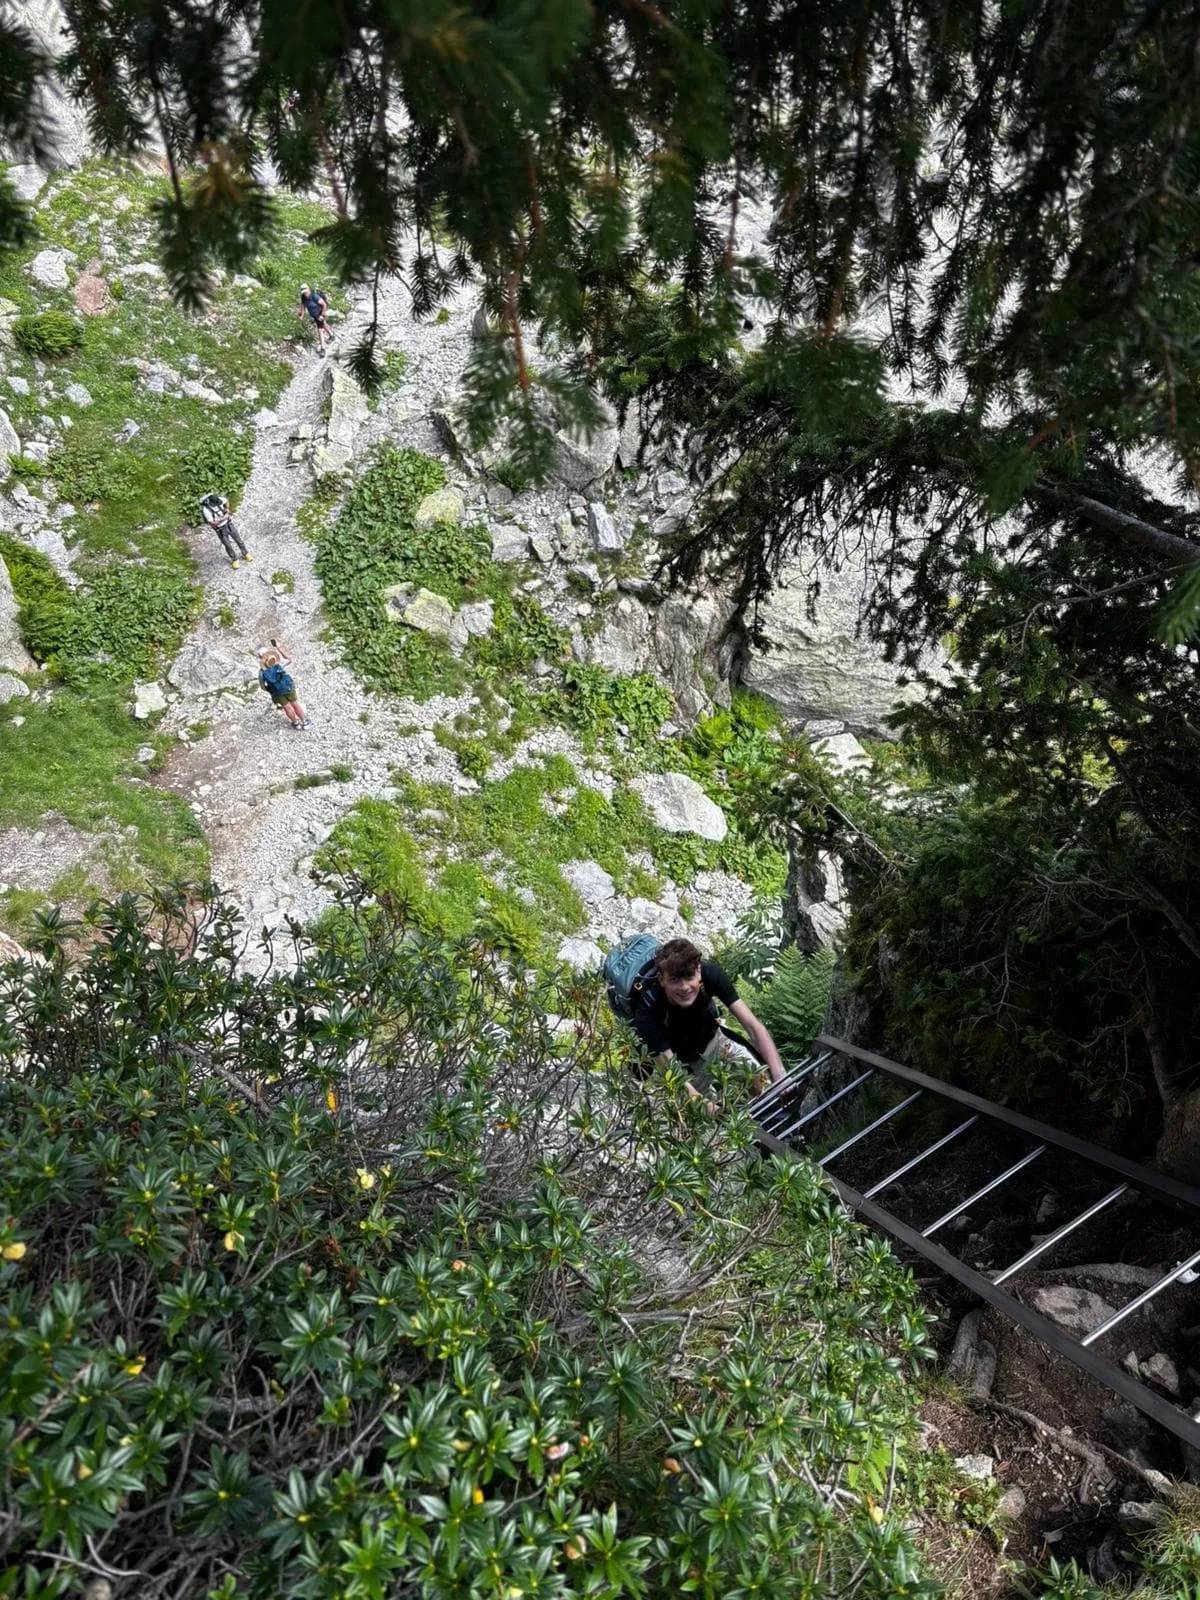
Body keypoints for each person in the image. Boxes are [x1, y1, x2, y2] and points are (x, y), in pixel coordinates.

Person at [630, 937, 785, 1107]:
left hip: (715, 1039)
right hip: (681, 1063)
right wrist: (707, 1107)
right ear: (662, 980)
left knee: (760, 1080)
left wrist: (780, 1077)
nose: (684, 987)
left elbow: (753, 1027)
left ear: (698, 971)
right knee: (701, 1115)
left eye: (689, 976)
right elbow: (671, 1070)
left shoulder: (711, 974)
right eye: (674, 979)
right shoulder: (648, 1009)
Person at [257, 642, 311, 731]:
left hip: (276, 692)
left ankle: (296, 723)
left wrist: (271, 690)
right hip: (287, 687)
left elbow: (262, 687)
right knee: (295, 704)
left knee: (287, 707)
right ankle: (304, 722)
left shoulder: (261, 672)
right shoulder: (278, 664)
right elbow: (289, 659)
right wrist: (279, 648)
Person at [199, 492, 252, 569]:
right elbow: (212, 523)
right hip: (220, 529)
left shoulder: (218, 499)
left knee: (238, 540)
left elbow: (226, 501)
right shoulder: (206, 510)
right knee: (227, 545)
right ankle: (234, 560)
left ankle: (245, 554)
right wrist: (223, 518)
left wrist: (226, 509)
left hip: (229, 524)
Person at [297, 283, 330, 357]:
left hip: (319, 313)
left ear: (308, 289)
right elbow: (303, 306)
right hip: (315, 315)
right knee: (323, 324)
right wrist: (302, 316)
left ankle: (323, 349)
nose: (305, 293)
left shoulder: (314, 296)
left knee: (320, 330)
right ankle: (331, 335)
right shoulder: (303, 297)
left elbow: (324, 305)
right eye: (303, 292)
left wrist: (322, 315)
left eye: (306, 292)